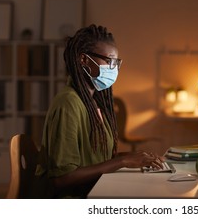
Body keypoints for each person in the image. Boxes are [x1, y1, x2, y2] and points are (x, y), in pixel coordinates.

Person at [36, 24, 163, 198]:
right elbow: (61, 178)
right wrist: (122, 161)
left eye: (117, 62)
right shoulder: (68, 103)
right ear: (84, 60)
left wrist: (133, 157)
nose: (114, 68)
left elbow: (93, 159)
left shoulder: (93, 102)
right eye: (109, 61)